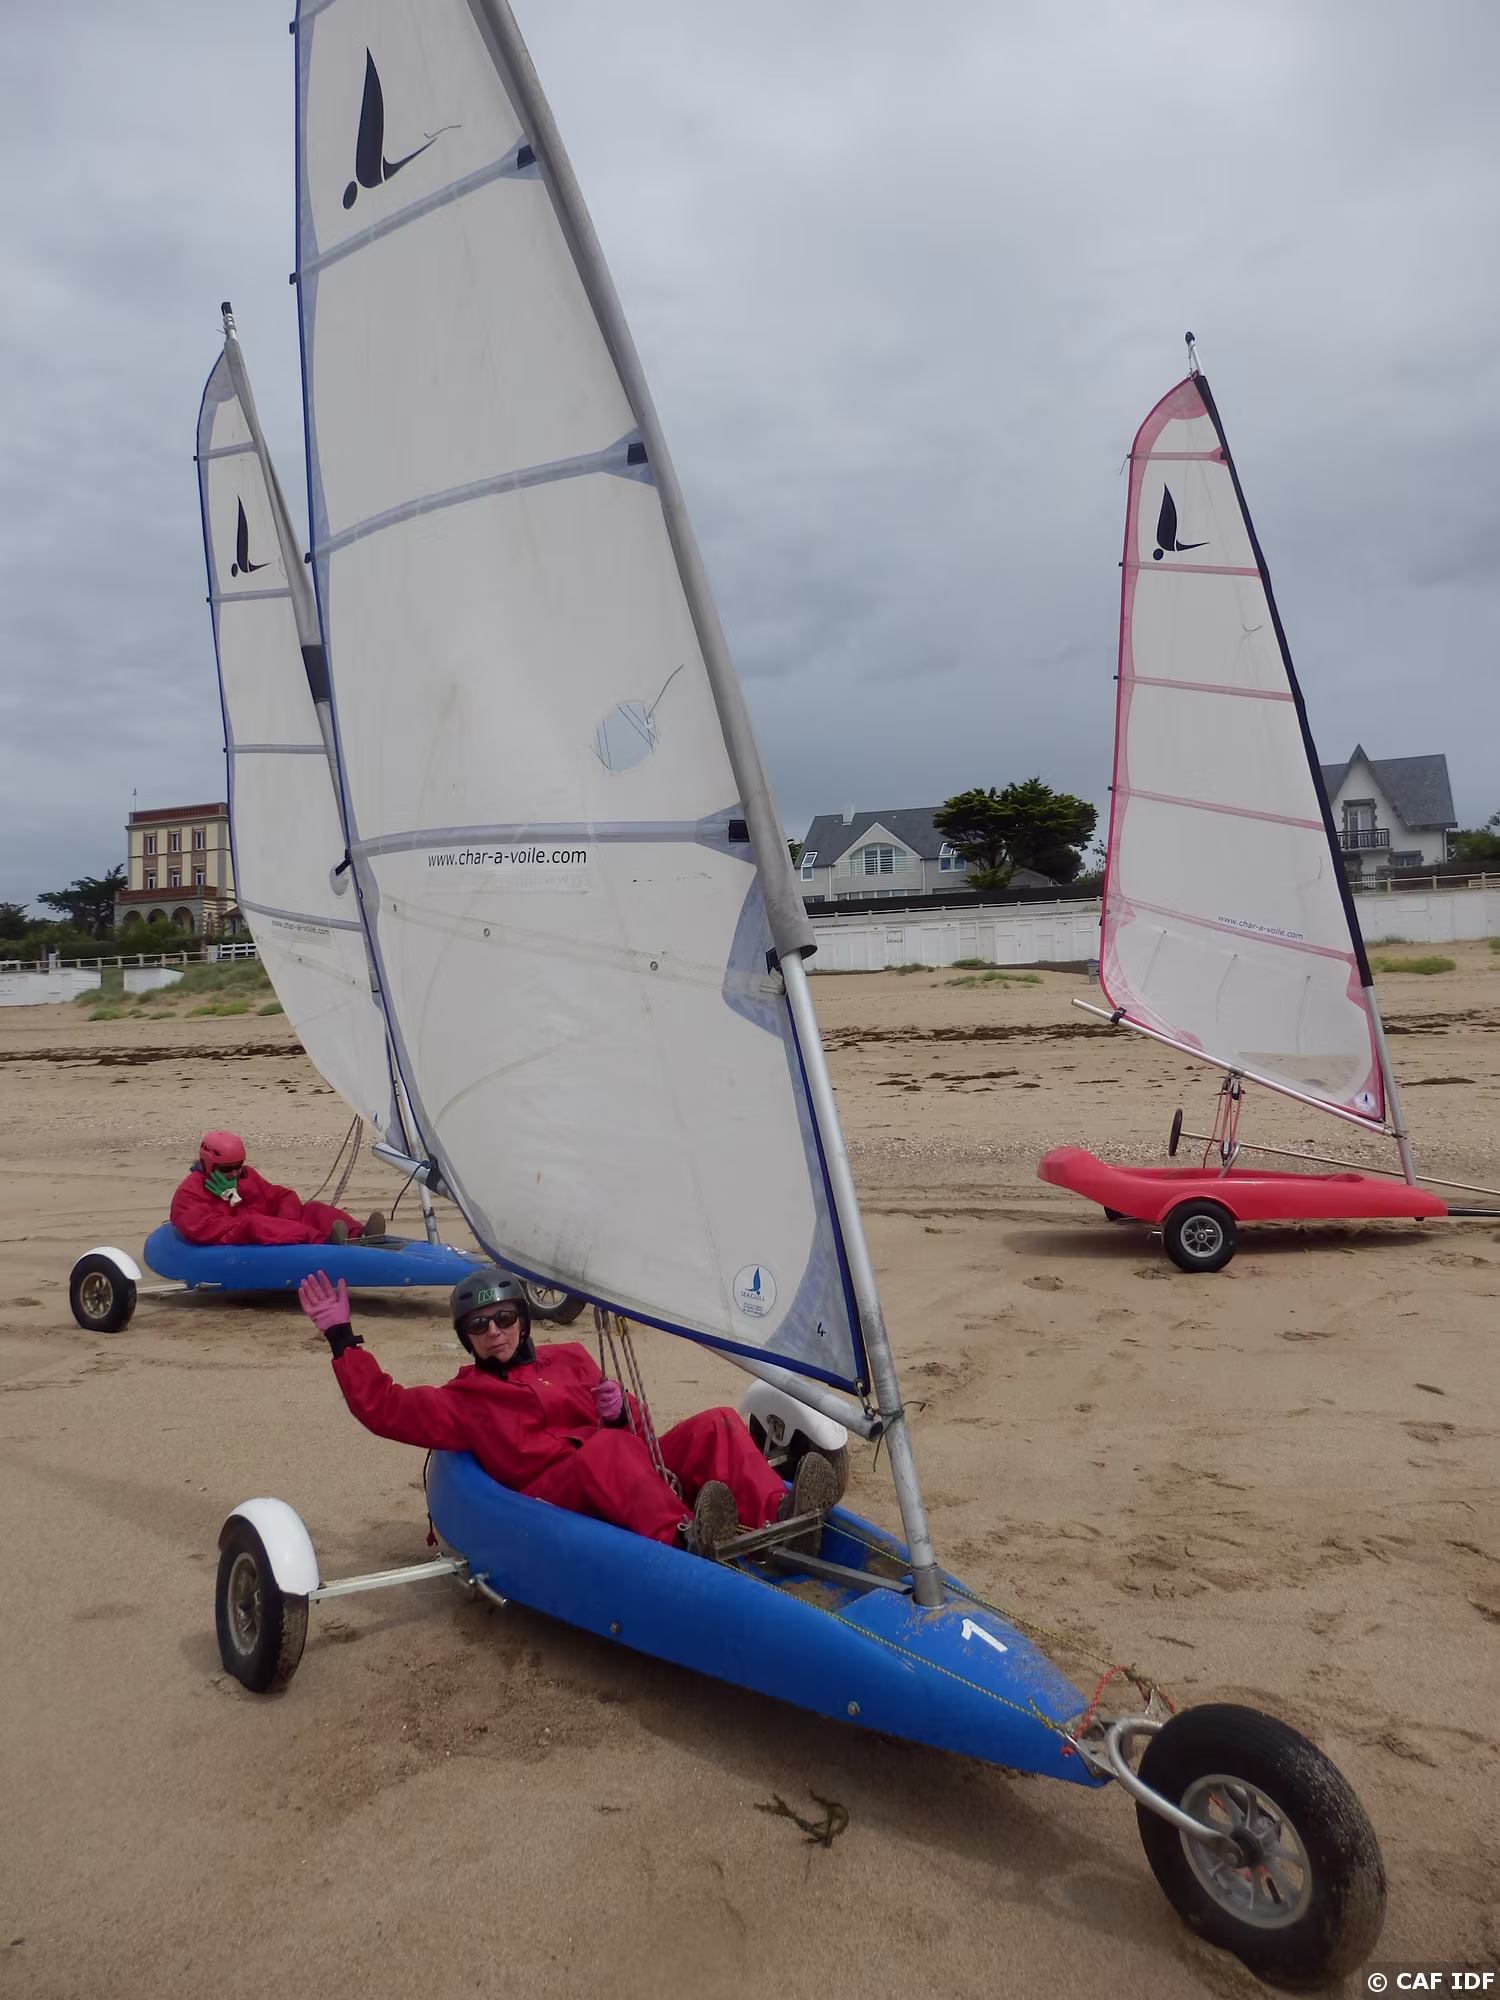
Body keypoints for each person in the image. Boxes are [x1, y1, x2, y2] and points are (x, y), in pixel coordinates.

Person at [298, 1264, 839, 1559]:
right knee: (606, 1448)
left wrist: (621, 1410)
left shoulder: (571, 1359)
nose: (494, 1333)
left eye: (504, 1319)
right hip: (557, 1494)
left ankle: (782, 1515)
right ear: (466, 1338)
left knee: (716, 1422)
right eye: (479, 1327)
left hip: (622, 1468)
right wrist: (341, 1337)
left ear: (523, 1320)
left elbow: (642, 1437)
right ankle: (683, 1541)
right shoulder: (462, 1400)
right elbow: (384, 1408)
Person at [171, 1131, 385, 1248]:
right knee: (255, 1223)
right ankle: (324, 1242)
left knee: (312, 1209)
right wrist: (230, 1202)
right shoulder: (191, 1192)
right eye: (228, 1169)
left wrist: (287, 1220)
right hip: (235, 1234)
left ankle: (360, 1235)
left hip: (274, 1225)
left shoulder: (246, 1175)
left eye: (239, 1166)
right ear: (209, 1163)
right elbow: (201, 1228)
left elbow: (281, 1196)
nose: (235, 1172)